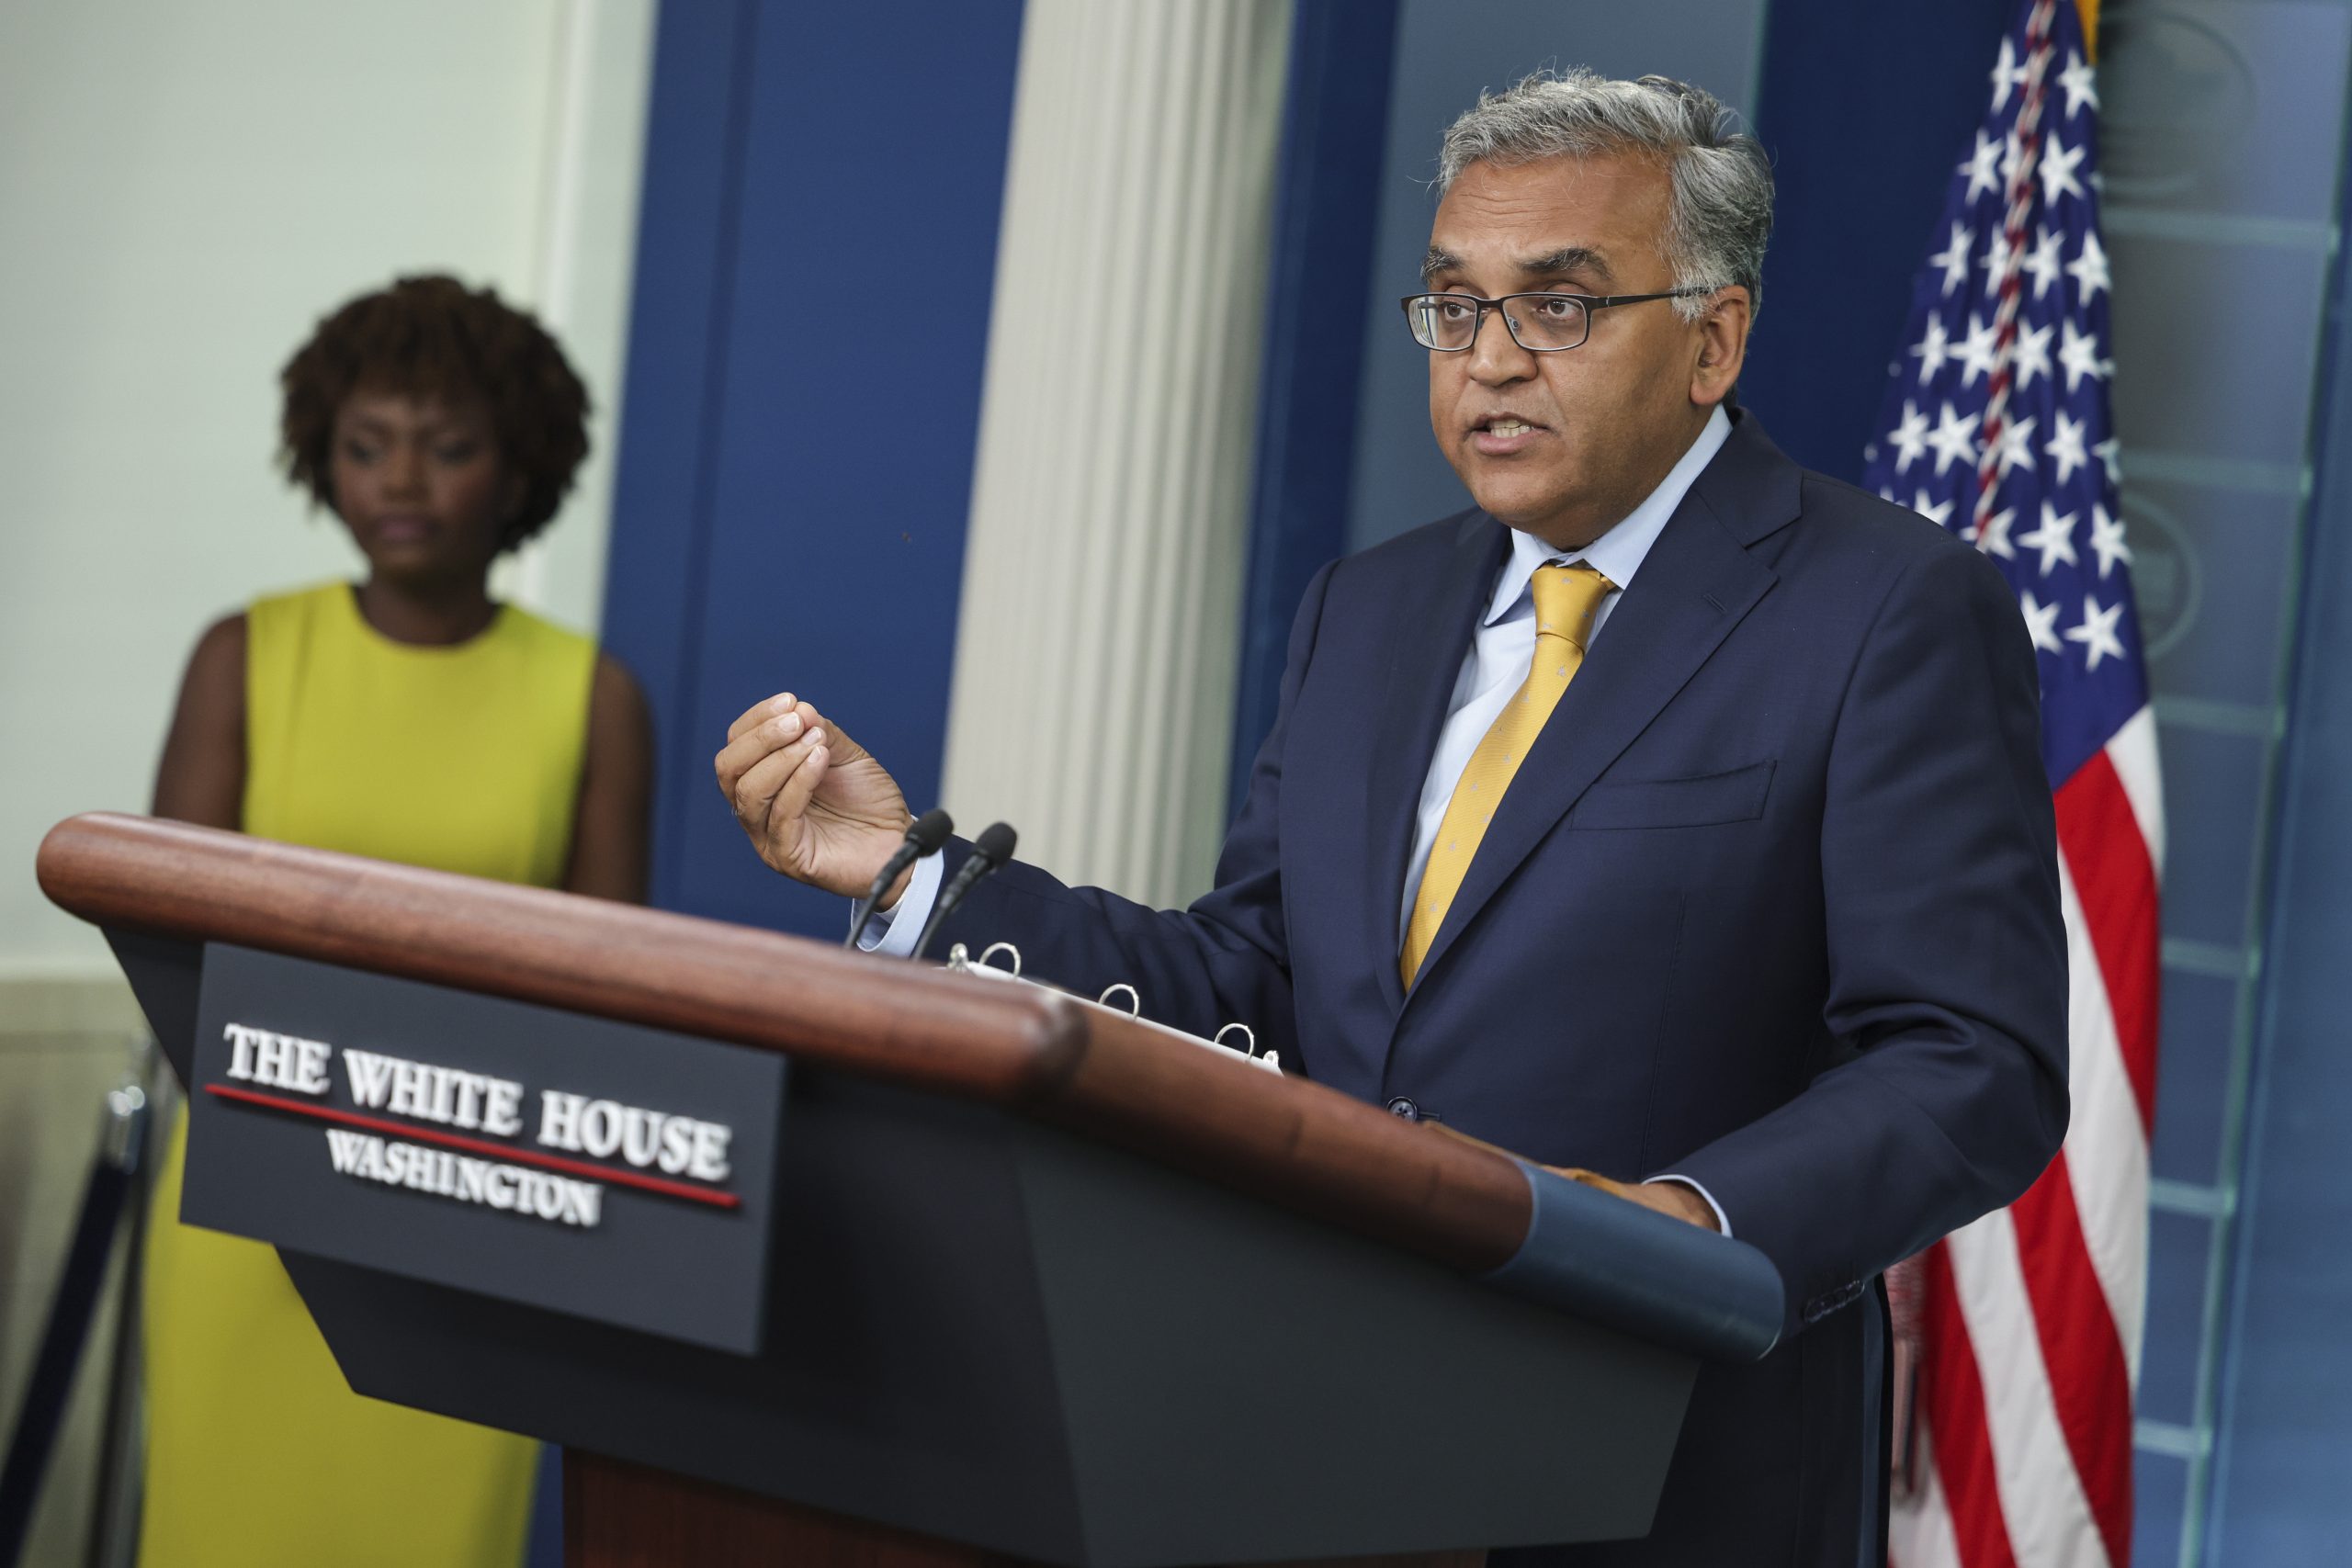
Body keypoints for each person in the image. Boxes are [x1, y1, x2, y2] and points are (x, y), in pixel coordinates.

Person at [714, 71, 2066, 1566]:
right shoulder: (1367, 609)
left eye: (1556, 309)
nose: (1488, 362)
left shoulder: (1889, 608)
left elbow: (1968, 1059)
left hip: (1665, 1470)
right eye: (1453, 308)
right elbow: (1262, 986)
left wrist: (1686, 1222)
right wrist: (916, 879)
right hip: (1324, 1435)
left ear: (1712, 339)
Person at [144, 274, 652, 1567]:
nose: (402, 481)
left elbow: (610, 994)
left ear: (521, 463)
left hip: (471, 1211)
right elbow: (166, 949)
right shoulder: (244, 656)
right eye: (366, 446)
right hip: (256, 1199)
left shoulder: (590, 698)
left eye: (450, 445)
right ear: (322, 454)